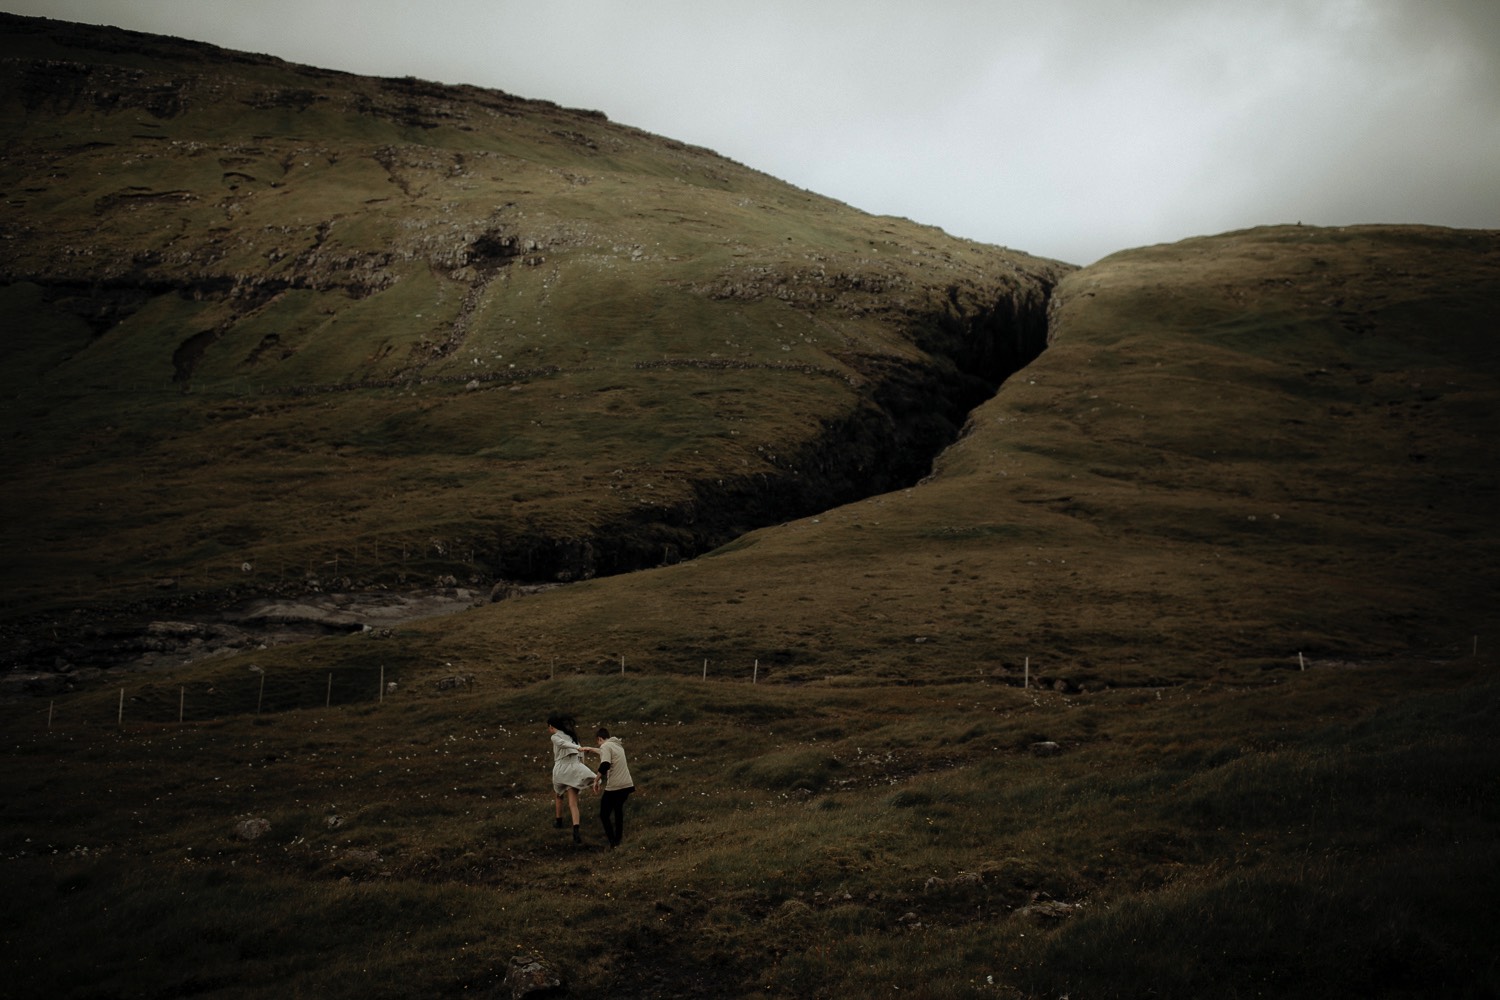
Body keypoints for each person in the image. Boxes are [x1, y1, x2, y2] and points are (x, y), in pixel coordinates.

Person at [580, 727, 634, 848]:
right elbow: (603, 751)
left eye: (598, 742)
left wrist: (596, 780)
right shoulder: (617, 745)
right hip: (627, 785)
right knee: (618, 811)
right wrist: (590, 749)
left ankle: (612, 842)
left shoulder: (605, 747)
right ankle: (618, 840)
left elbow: (605, 764)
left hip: (615, 787)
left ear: (599, 739)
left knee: (604, 814)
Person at [546, 713, 595, 844]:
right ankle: (576, 831)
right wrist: (580, 767)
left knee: (559, 795)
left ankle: (559, 821)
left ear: (551, 726)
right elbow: (580, 756)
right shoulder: (572, 737)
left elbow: (562, 744)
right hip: (575, 769)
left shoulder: (555, 737)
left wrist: (578, 748)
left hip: (562, 769)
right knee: (573, 803)